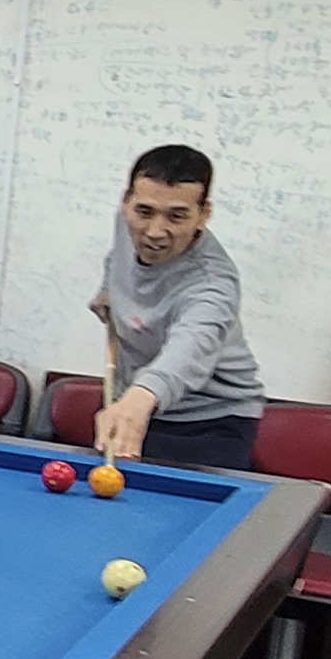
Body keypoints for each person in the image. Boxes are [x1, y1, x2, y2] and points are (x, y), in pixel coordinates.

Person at [86, 143, 266, 469]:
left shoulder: (213, 283)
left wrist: (140, 398)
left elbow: (190, 349)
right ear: (126, 202)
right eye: (144, 212)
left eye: (176, 216)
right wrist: (107, 290)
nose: (155, 231)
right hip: (130, 403)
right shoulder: (127, 222)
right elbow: (118, 258)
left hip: (208, 423)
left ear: (203, 215)